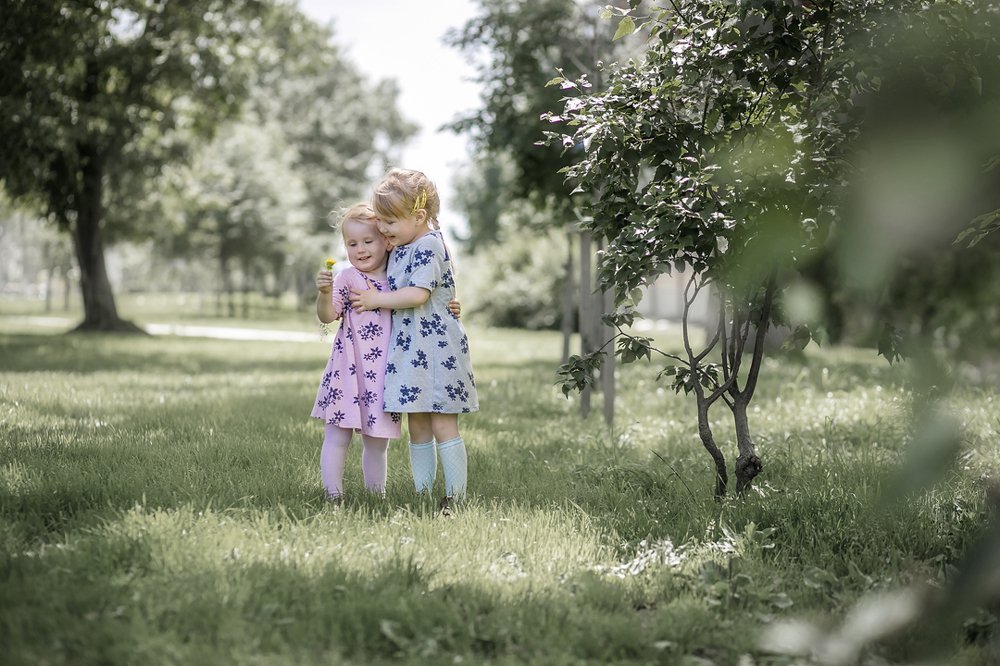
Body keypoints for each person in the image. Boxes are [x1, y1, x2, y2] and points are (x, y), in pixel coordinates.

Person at [311, 203, 462, 502]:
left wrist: (451, 306)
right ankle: (333, 496)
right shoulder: (348, 278)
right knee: (337, 436)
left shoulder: (398, 277)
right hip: (348, 372)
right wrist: (325, 294)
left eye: (368, 241)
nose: (360, 249)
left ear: (386, 241)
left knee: (377, 443)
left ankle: (375, 497)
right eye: (352, 244)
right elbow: (327, 316)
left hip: (386, 377)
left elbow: (424, 295)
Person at [350, 169, 479, 516]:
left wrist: (376, 301)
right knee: (418, 423)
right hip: (410, 350)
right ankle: (423, 494)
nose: (383, 229)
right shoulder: (403, 246)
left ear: (419, 216)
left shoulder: (428, 244)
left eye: (390, 221)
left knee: (442, 422)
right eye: (382, 221)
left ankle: (455, 497)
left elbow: (419, 293)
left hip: (436, 350)